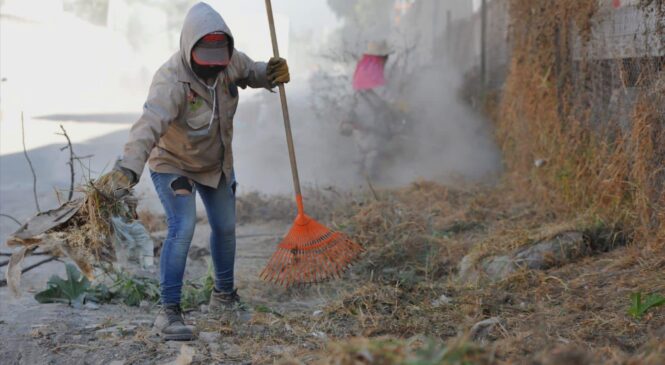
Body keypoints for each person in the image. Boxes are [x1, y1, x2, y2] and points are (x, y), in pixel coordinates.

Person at [97, 2, 290, 341]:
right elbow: (148, 126)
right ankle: (168, 312)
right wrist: (128, 169)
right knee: (183, 226)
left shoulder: (231, 62)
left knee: (226, 227)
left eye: (220, 63)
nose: (214, 72)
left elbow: (251, 72)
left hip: (215, 164)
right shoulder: (170, 81)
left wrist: (269, 72)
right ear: (189, 52)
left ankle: (225, 298)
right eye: (206, 65)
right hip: (173, 164)